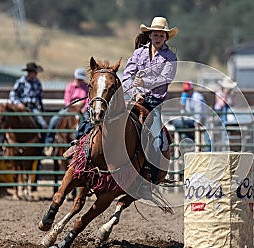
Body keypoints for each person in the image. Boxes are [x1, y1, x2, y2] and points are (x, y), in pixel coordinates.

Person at [64, 17, 178, 185]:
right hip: (132, 97)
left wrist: (144, 86)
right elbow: (127, 76)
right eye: (155, 35)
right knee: (97, 114)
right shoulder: (139, 53)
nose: (158, 38)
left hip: (154, 102)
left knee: (156, 137)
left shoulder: (170, 57)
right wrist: (135, 91)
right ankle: (79, 142)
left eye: (161, 36)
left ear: (165, 37)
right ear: (150, 35)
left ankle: (152, 175)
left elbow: (165, 79)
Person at [44, 68, 89, 155]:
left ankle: (87, 143)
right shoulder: (70, 86)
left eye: (81, 79)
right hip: (70, 108)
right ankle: (48, 144)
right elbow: (67, 99)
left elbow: (88, 99)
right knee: (54, 119)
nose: (79, 80)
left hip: (82, 108)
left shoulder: (86, 87)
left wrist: (84, 108)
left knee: (88, 121)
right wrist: (70, 108)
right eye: (78, 78)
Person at [9, 62, 47, 141]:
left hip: (33, 107)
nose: (36, 74)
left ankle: (43, 145)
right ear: (30, 72)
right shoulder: (21, 81)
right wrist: (18, 103)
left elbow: (39, 97)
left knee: (43, 125)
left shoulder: (37, 82)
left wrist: (41, 108)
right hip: (21, 107)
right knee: (9, 122)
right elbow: (12, 94)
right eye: (34, 72)